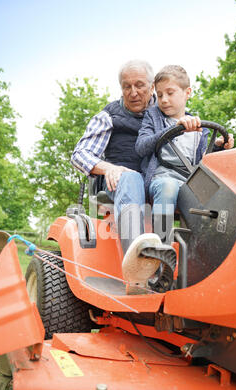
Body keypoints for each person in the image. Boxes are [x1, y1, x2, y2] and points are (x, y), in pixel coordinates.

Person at [71, 60, 171, 294]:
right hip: (123, 182)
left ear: (152, 85)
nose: (133, 92)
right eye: (127, 87)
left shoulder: (167, 110)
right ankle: (138, 274)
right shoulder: (109, 116)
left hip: (161, 181)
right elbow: (80, 154)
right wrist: (108, 168)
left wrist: (218, 146)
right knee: (132, 177)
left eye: (139, 85)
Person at [135, 65, 234, 247]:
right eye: (160, 95)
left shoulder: (200, 129)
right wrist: (174, 130)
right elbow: (141, 147)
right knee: (168, 186)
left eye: (170, 93)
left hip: (190, 184)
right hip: (162, 179)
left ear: (187, 92)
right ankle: (161, 248)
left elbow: (203, 162)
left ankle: (208, 252)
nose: (164, 100)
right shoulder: (153, 117)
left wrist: (219, 147)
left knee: (224, 196)